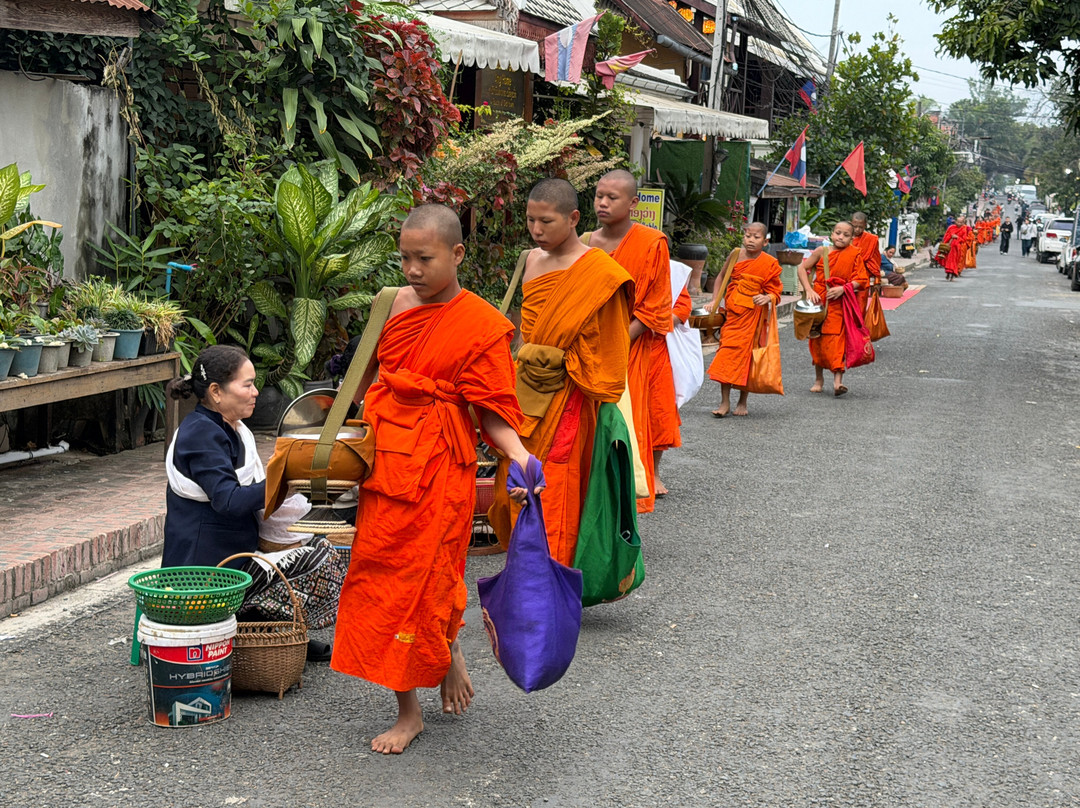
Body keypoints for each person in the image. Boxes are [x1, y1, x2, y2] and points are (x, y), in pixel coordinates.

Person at [331, 204, 530, 755]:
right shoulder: (390, 305)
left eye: (424, 258)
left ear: (457, 254)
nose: (412, 270)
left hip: (442, 468)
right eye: (405, 258)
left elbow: (491, 412)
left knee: (430, 581)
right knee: (383, 582)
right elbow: (361, 381)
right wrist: (333, 443)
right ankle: (414, 700)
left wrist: (520, 454)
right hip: (387, 466)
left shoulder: (482, 325)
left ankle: (435, 667)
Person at [488, 179, 633, 566]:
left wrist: (563, 363)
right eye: (530, 220)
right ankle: (523, 573)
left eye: (546, 221)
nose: (536, 230)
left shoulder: (601, 273)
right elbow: (528, 330)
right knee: (515, 480)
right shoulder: (531, 261)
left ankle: (553, 575)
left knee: (554, 488)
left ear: (573, 218)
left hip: (569, 397)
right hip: (525, 392)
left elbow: (611, 351)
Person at [162, 345, 335, 662]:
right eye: (248, 384)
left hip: (235, 552)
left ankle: (279, 632)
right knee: (319, 558)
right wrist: (284, 479)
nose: (256, 392)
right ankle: (257, 628)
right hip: (207, 570)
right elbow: (228, 500)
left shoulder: (230, 428)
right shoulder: (201, 434)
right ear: (216, 392)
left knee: (319, 541)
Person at [586, 169, 672, 512]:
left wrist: (616, 343)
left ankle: (624, 499)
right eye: (599, 196)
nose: (603, 203)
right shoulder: (584, 242)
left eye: (612, 197)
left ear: (633, 203)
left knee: (625, 422)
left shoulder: (651, 243)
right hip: (588, 348)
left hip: (629, 348)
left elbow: (655, 308)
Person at [706, 222, 783, 417]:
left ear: (765, 242)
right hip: (732, 316)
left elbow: (775, 291)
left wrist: (767, 297)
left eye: (756, 237)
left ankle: (742, 401)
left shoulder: (769, 263)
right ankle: (724, 402)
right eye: (748, 236)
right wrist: (715, 300)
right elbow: (721, 277)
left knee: (747, 359)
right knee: (726, 355)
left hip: (753, 317)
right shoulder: (735, 255)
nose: (751, 240)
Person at [796, 221, 869, 397]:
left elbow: (862, 279)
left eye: (846, 235)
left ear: (852, 238)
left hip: (841, 303)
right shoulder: (822, 251)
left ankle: (838, 381)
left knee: (838, 341)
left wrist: (844, 288)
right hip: (820, 301)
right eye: (838, 233)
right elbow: (802, 268)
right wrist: (809, 289)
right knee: (818, 340)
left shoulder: (855, 254)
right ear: (832, 234)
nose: (841, 237)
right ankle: (818, 379)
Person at [648, 262, 693, 494]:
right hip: (621, 347)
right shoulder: (617, 260)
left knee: (659, 414)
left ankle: (654, 473)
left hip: (656, 349)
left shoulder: (672, 271)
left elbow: (683, 307)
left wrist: (660, 321)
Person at [850, 212, 882, 313]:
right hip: (845, 276)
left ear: (865, 225)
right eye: (855, 226)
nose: (857, 229)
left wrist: (877, 280)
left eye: (860, 227)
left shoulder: (871, 239)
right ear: (851, 223)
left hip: (862, 278)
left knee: (860, 309)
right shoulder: (845, 237)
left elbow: (875, 261)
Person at [935, 213, 973, 280]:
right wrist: (951, 236)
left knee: (955, 262)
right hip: (949, 248)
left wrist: (957, 237)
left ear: (963, 223)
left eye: (960, 222)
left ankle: (952, 276)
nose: (959, 223)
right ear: (955, 221)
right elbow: (946, 236)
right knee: (948, 261)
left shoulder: (963, 229)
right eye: (958, 222)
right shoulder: (951, 227)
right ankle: (948, 274)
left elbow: (964, 239)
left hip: (957, 248)